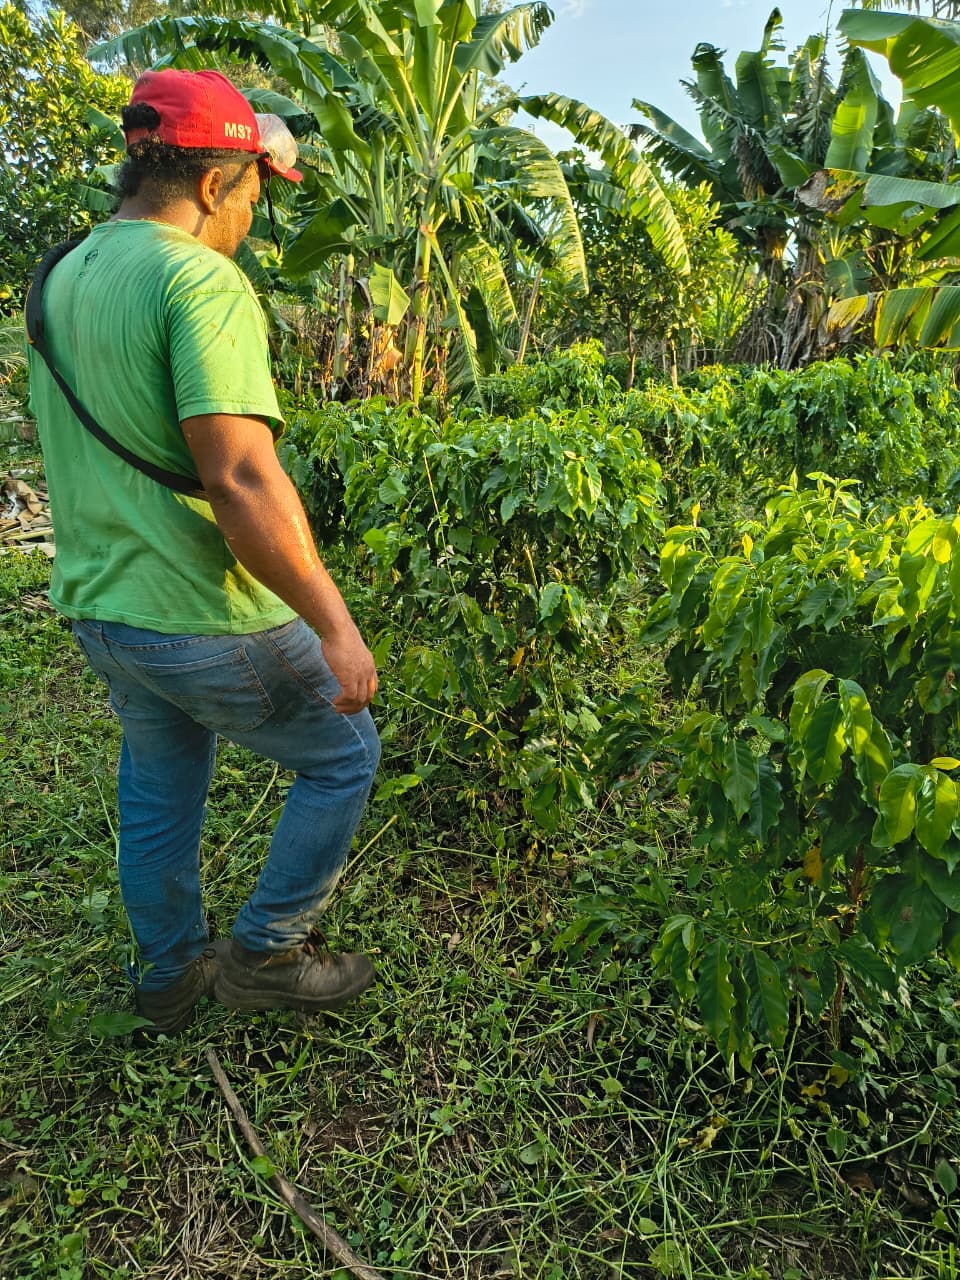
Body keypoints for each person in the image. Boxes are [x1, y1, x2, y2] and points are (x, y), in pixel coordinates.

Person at [26, 68, 381, 1037]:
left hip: (103, 606)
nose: (253, 220)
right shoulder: (198, 279)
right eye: (255, 195)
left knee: (159, 776)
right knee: (346, 753)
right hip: (199, 615)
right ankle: (267, 950)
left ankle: (169, 972)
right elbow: (241, 480)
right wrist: (335, 624)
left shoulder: (60, 275)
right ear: (216, 185)